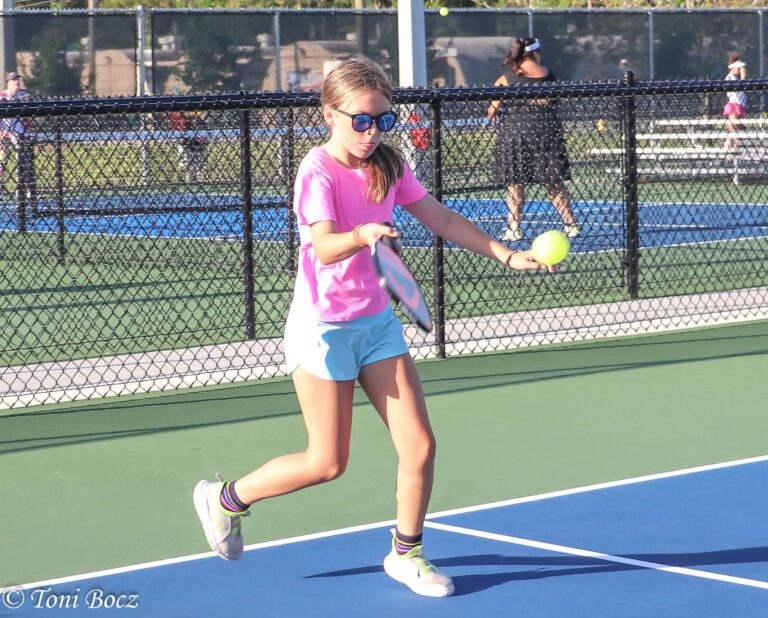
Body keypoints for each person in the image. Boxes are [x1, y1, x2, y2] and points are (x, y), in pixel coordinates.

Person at [193, 54, 554, 598]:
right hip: (323, 329)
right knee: (327, 462)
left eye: (381, 120)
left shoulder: (388, 164)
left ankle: (406, 554)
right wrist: (362, 234)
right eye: (360, 119)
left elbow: (443, 219)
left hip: (377, 324)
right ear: (330, 113)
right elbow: (322, 245)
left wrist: (508, 255)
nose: (371, 131)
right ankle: (224, 499)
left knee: (420, 445)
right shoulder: (316, 170)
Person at [487, 38, 580, 242]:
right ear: (535, 53)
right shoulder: (549, 75)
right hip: (546, 134)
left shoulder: (507, 78)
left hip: (515, 135)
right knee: (554, 183)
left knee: (515, 185)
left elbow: (492, 110)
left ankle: (513, 228)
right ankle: (570, 224)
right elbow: (559, 105)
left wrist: (501, 112)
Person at [0, 72, 35, 202]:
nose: (17, 82)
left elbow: (27, 119)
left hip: (20, 134)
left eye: (17, 80)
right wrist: (5, 134)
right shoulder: (2, 97)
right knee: (2, 161)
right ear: (8, 82)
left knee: (26, 162)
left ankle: (27, 190)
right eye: (14, 80)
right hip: (5, 133)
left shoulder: (22, 97)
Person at [169, 109, 208, 184]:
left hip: (197, 144)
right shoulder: (187, 124)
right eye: (194, 120)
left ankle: (196, 178)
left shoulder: (200, 124)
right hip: (188, 144)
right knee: (186, 162)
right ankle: (183, 178)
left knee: (198, 161)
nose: (195, 121)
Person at [723, 52, 747, 150]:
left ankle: (733, 144)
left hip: (739, 104)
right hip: (734, 104)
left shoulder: (734, 78)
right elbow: (742, 83)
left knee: (735, 127)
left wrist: (742, 75)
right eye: (738, 68)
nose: (739, 69)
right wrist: (743, 75)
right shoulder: (730, 78)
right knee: (733, 126)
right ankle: (730, 144)